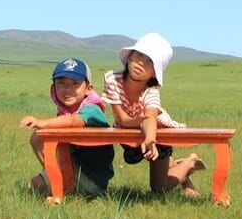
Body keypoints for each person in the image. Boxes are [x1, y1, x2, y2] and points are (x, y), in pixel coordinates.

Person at [101, 32, 205, 197]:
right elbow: (122, 119)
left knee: (159, 188)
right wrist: (139, 121)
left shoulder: (151, 92)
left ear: (154, 73)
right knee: (132, 157)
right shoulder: (113, 78)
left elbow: (150, 118)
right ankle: (173, 166)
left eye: (150, 61)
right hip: (130, 132)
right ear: (130, 56)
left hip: (158, 132)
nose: (141, 62)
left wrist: (150, 138)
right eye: (140, 54)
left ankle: (188, 162)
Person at [18, 58, 115, 198]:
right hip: (71, 165)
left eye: (75, 83)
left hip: (91, 178)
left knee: (36, 185)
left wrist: (41, 122)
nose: (67, 89)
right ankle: (58, 176)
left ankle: (63, 183)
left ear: (88, 89)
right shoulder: (65, 110)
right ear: (54, 88)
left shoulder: (92, 110)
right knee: (33, 182)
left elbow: (72, 121)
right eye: (61, 83)